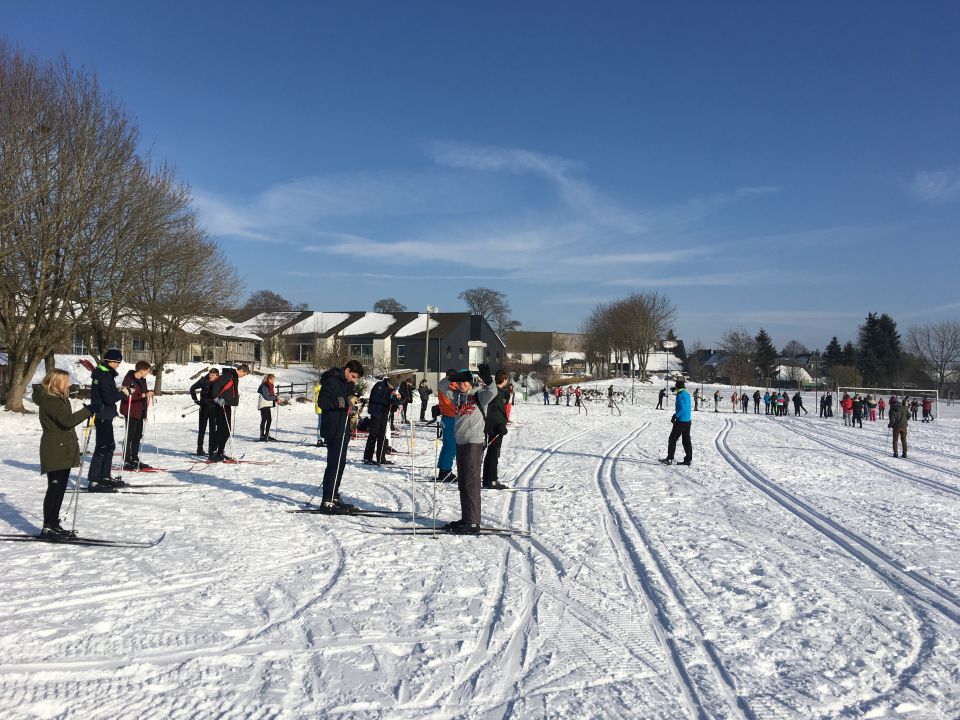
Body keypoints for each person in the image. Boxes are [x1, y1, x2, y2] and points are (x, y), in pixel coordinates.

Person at [34, 369, 93, 538]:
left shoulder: (59, 398)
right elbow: (67, 421)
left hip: (63, 446)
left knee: (60, 488)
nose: (68, 384)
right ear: (55, 382)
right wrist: (88, 411)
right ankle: (48, 526)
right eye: (65, 381)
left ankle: (53, 523)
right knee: (55, 488)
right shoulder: (50, 400)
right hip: (54, 448)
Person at [445, 365, 499, 534]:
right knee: (463, 483)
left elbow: (493, 392)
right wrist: (451, 377)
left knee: (471, 483)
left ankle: (473, 522)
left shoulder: (479, 396)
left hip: (474, 443)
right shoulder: (456, 396)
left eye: (464, 382)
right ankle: (466, 518)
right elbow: (441, 386)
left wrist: (489, 380)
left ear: (470, 382)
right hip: (460, 442)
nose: (461, 384)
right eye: (459, 382)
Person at [316, 359, 365, 513]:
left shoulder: (347, 383)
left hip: (343, 428)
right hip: (333, 428)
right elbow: (323, 402)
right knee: (334, 464)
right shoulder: (331, 380)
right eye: (353, 376)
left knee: (340, 464)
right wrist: (345, 402)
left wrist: (355, 410)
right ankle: (327, 500)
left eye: (356, 378)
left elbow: (349, 402)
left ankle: (334, 496)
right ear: (347, 370)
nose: (354, 380)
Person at [87, 348, 131, 491]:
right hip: (102, 414)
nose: (118, 365)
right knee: (102, 447)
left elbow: (107, 393)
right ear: (111, 362)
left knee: (110, 446)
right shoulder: (104, 374)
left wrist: (119, 390)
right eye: (117, 362)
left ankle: (105, 476)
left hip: (106, 414)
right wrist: (123, 394)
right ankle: (94, 480)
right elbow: (108, 398)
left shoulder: (106, 374)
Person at [207, 364, 249, 461]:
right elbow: (216, 384)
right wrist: (217, 398)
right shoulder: (229, 375)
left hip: (226, 404)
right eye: (244, 374)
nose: (243, 376)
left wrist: (234, 398)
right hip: (222, 404)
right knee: (223, 429)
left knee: (226, 430)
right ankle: (213, 452)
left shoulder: (233, 376)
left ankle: (219, 451)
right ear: (241, 370)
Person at [120, 361, 154, 470]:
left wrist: (148, 393)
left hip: (140, 411)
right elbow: (126, 396)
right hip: (131, 411)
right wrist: (144, 394)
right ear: (142, 371)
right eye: (147, 371)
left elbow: (142, 393)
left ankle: (134, 458)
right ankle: (126, 460)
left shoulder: (142, 380)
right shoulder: (129, 379)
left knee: (138, 436)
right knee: (130, 436)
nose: (148, 373)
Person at [482, 370, 511, 490]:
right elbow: (494, 411)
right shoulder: (496, 392)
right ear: (504, 380)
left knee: (491, 453)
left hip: (494, 426)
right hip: (495, 427)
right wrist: (499, 425)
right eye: (507, 379)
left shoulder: (498, 392)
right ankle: (491, 480)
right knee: (494, 453)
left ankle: (487, 478)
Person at [363, 376, 397, 466]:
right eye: (392, 386)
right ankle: (367, 458)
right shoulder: (380, 385)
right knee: (373, 435)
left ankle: (381, 458)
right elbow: (376, 398)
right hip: (376, 413)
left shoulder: (391, 390)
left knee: (382, 435)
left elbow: (392, 405)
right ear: (389, 382)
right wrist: (389, 398)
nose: (392, 388)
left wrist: (396, 400)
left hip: (384, 414)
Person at [660, 379, 692, 466]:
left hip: (680, 421)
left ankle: (669, 459)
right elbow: (682, 397)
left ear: (677, 387)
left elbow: (682, 408)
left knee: (672, 439)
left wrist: (675, 416)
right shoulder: (686, 394)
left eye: (676, 386)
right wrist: (675, 390)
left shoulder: (680, 395)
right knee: (686, 441)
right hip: (687, 421)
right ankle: (688, 460)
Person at [435, 369, 459, 482]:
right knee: (451, 446)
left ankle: (443, 470)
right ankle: (445, 470)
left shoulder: (449, 386)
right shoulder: (446, 385)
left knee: (447, 446)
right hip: (450, 418)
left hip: (447, 417)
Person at [190, 368, 219, 456]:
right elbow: (192, 388)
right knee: (202, 428)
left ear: (217, 375)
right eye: (210, 374)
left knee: (213, 429)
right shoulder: (203, 380)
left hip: (214, 408)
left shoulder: (219, 381)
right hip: (204, 407)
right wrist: (195, 400)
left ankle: (211, 449)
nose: (210, 376)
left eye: (212, 375)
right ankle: (199, 448)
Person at [257, 374, 278, 441]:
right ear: (269, 379)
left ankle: (266, 434)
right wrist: (275, 398)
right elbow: (266, 397)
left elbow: (270, 395)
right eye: (273, 379)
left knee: (269, 419)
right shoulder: (264, 385)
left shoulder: (270, 385)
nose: (274, 381)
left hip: (267, 404)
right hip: (263, 404)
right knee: (264, 419)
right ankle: (262, 435)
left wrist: (276, 398)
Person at [313, 379, 325, 447]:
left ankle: (323, 438)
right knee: (320, 424)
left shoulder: (318, 388)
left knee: (323, 424)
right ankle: (319, 439)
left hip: (320, 409)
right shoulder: (321, 389)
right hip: (321, 409)